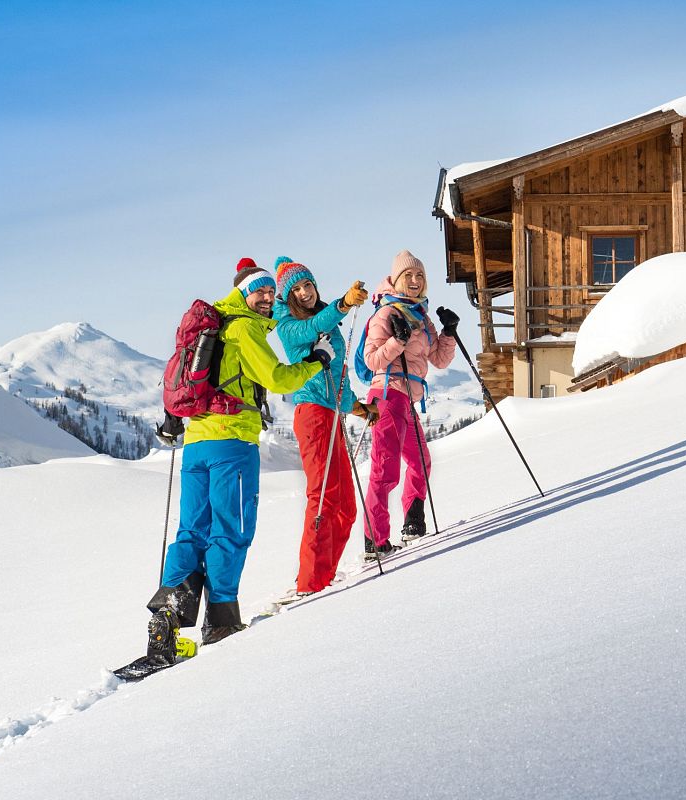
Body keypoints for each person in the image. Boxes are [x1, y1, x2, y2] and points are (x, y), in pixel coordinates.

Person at [144, 258, 333, 660]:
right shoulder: (244, 327)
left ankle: (166, 622)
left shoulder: (214, 327)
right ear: (244, 293)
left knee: (192, 532)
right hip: (232, 443)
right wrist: (318, 360)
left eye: (270, 292)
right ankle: (222, 621)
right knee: (231, 529)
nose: (266, 298)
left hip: (196, 443)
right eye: (259, 291)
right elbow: (277, 378)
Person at [273, 256, 377, 597]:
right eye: (296, 289)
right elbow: (309, 328)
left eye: (307, 285)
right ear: (288, 297)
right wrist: (344, 304)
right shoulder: (288, 324)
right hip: (312, 415)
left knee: (345, 506)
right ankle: (310, 584)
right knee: (322, 499)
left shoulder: (327, 325)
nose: (304, 292)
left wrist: (360, 409)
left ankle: (323, 577)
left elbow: (337, 378)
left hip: (332, 414)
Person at [361, 250, 458, 560]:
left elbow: (440, 360)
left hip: (407, 400)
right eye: (409, 276)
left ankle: (413, 523)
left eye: (420, 276)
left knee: (421, 462)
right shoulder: (385, 314)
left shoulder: (421, 315)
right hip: (387, 397)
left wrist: (449, 333)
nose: (415, 281)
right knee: (385, 471)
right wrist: (397, 341)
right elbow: (372, 360)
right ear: (397, 279)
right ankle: (374, 540)